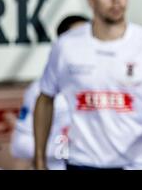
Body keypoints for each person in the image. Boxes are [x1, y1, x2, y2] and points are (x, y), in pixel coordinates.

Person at [33, 0, 142, 170]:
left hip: (137, 164)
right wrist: (39, 159)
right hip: (82, 162)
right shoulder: (66, 45)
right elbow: (45, 99)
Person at [10, 15, 88, 170]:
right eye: (77, 40)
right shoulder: (40, 89)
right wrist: (64, 148)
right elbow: (19, 145)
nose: (85, 46)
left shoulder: (109, 85)